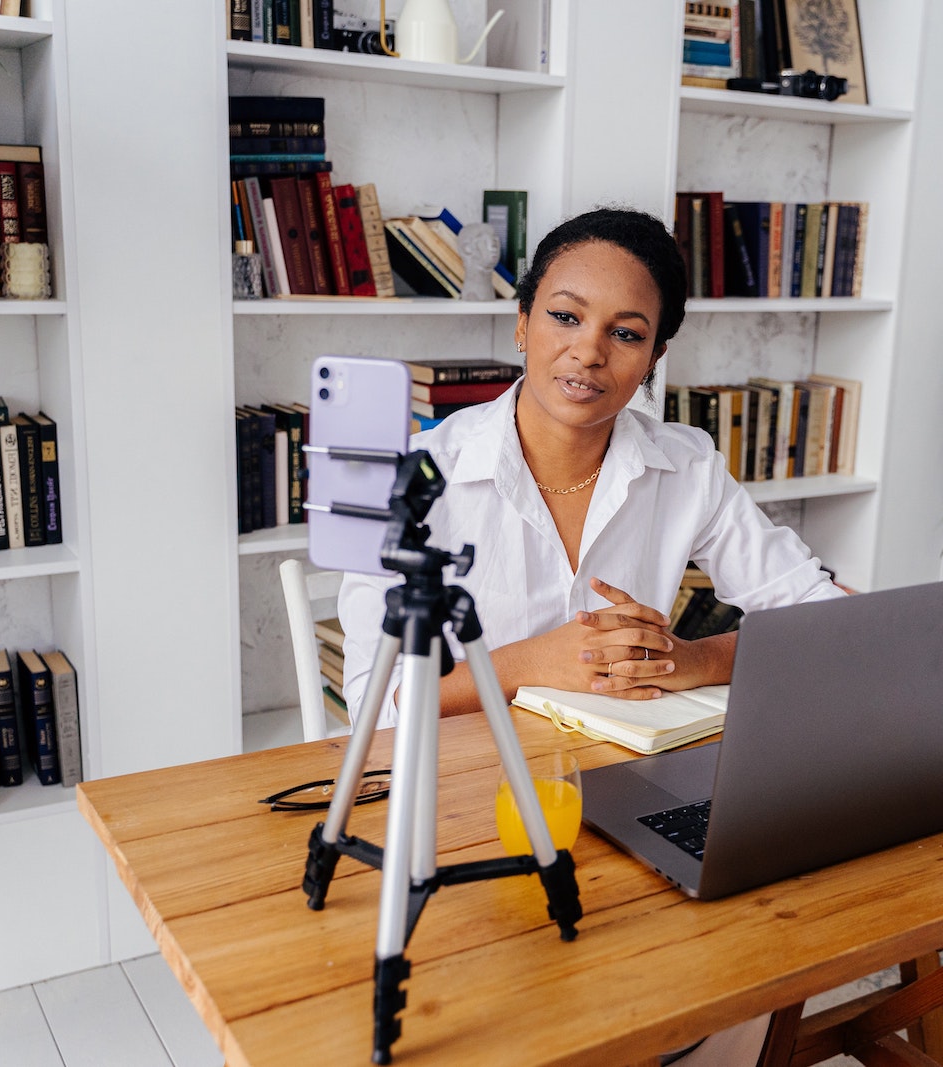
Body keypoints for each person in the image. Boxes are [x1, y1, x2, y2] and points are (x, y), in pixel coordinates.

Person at [339, 206, 843, 727]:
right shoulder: (415, 477)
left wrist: (689, 659)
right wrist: (534, 663)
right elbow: (373, 710)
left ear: (653, 357)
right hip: (457, 779)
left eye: (626, 334)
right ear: (522, 321)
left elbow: (822, 618)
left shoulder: (688, 467)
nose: (589, 351)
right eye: (565, 317)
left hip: (619, 771)